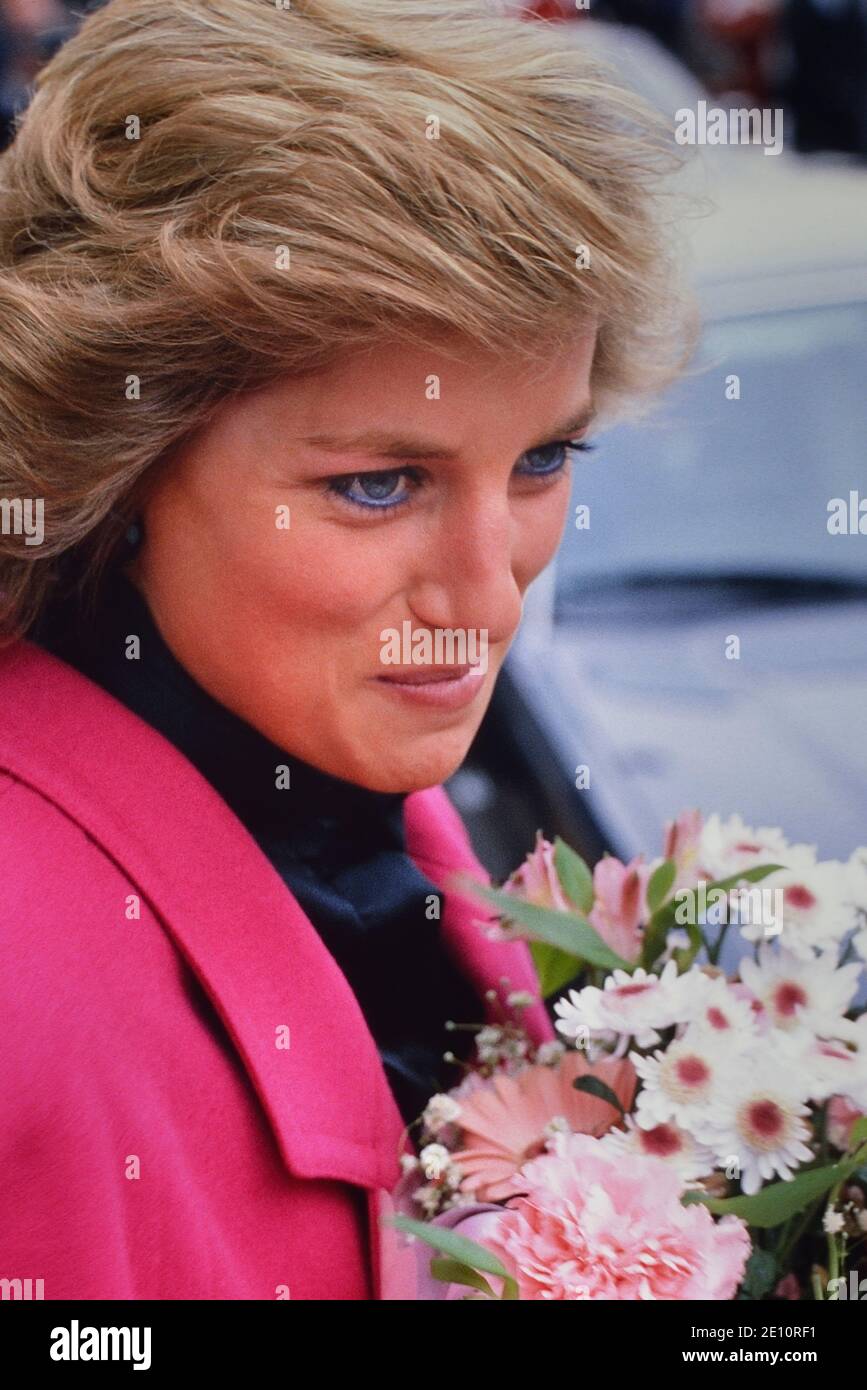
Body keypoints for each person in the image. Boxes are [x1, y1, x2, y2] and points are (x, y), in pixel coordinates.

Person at [0, 0, 688, 1299]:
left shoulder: (322, 769)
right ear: (115, 461)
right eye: (379, 485)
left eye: (544, 458)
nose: (489, 597)